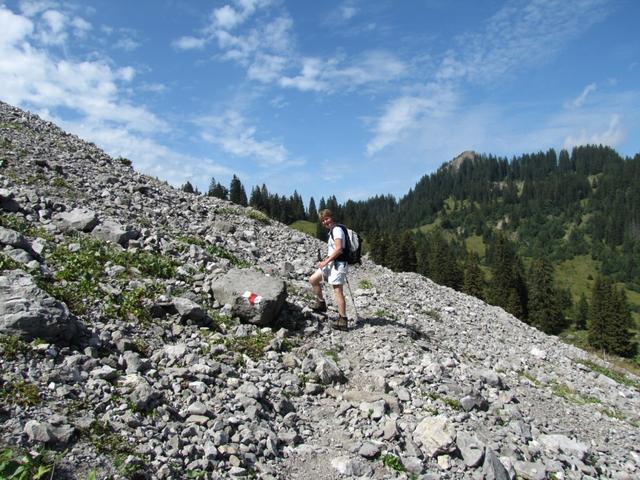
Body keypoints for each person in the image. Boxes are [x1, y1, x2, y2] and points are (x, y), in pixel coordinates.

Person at [309, 209, 349, 330]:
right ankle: (321, 303)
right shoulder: (333, 230)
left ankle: (343, 320)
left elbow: (339, 249)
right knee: (313, 279)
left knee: (337, 291)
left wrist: (326, 261)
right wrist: (327, 260)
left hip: (338, 265)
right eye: (323, 220)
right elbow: (334, 250)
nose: (326, 222)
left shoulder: (336, 230)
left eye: (327, 218)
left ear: (332, 217)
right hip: (332, 263)